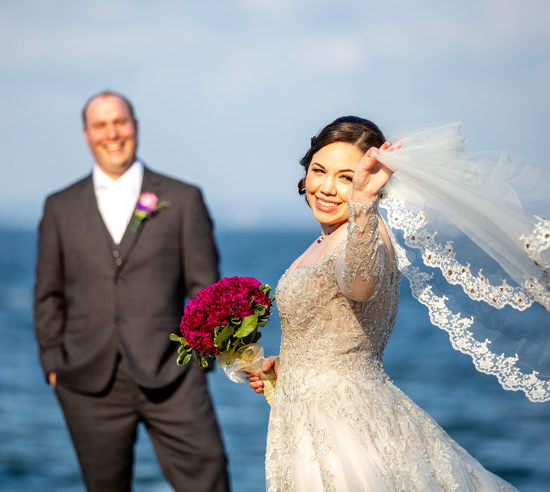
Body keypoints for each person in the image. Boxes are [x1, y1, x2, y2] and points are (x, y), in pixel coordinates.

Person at [247, 116, 519, 491]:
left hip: (343, 430)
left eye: (346, 177)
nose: (326, 187)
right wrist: (284, 371)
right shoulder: (326, 240)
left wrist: (362, 202)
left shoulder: (365, 237)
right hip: (306, 421)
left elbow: (359, 285)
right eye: (319, 171)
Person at [33, 91, 230, 492]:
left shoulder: (184, 199)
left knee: (210, 479)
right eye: (101, 125)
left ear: (135, 126)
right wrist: (53, 363)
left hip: (174, 374)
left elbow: (205, 288)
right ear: (86, 134)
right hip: (87, 382)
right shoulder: (59, 207)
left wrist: (201, 359)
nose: (112, 133)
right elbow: (48, 294)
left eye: (120, 122)